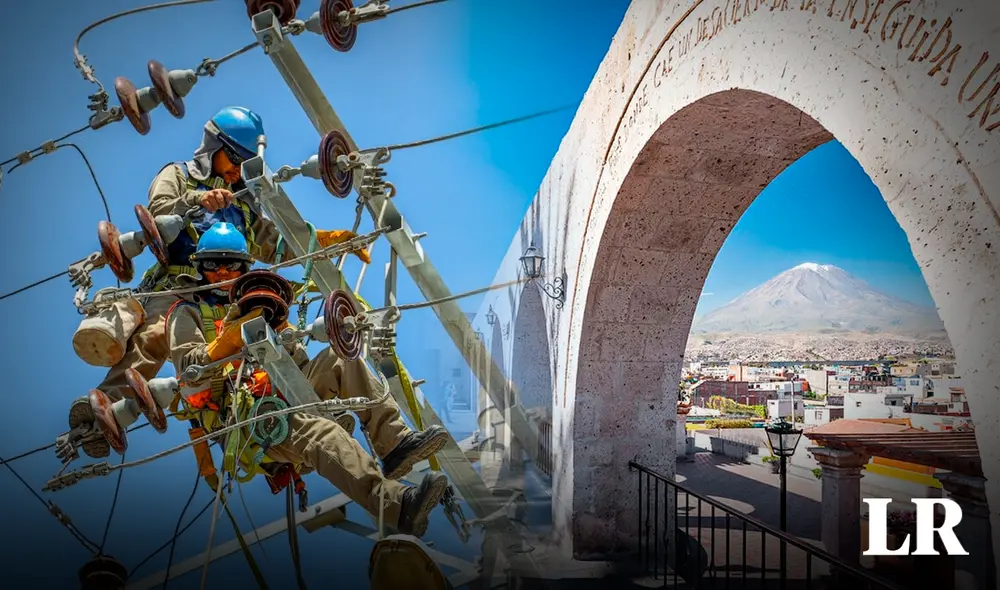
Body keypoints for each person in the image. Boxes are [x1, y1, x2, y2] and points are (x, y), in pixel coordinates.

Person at [69, 106, 368, 458]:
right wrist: (198, 199)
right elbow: (160, 212)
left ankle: (293, 413)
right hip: (180, 284)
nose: (238, 171)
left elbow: (275, 244)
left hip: (227, 296)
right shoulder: (178, 174)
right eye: (234, 159)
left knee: (272, 339)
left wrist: (326, 240)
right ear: (214, 148)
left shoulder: (241, 206)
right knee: (152, 337)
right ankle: (107, 414)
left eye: (244, 164)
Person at [165, 222, 450, 536]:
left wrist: (282, 334)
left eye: (230, 264)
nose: (221, 272)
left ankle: (394, 444)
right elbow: (188, 372)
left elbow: (299, 368)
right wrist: (226, 343)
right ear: (199, 267)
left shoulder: (258, 305)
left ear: (244, 268)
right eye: (212, 264)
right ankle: (398, 508)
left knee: (342, 358)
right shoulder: (187, 311)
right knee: (320, 432)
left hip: (285, 394)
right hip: (248, 422)